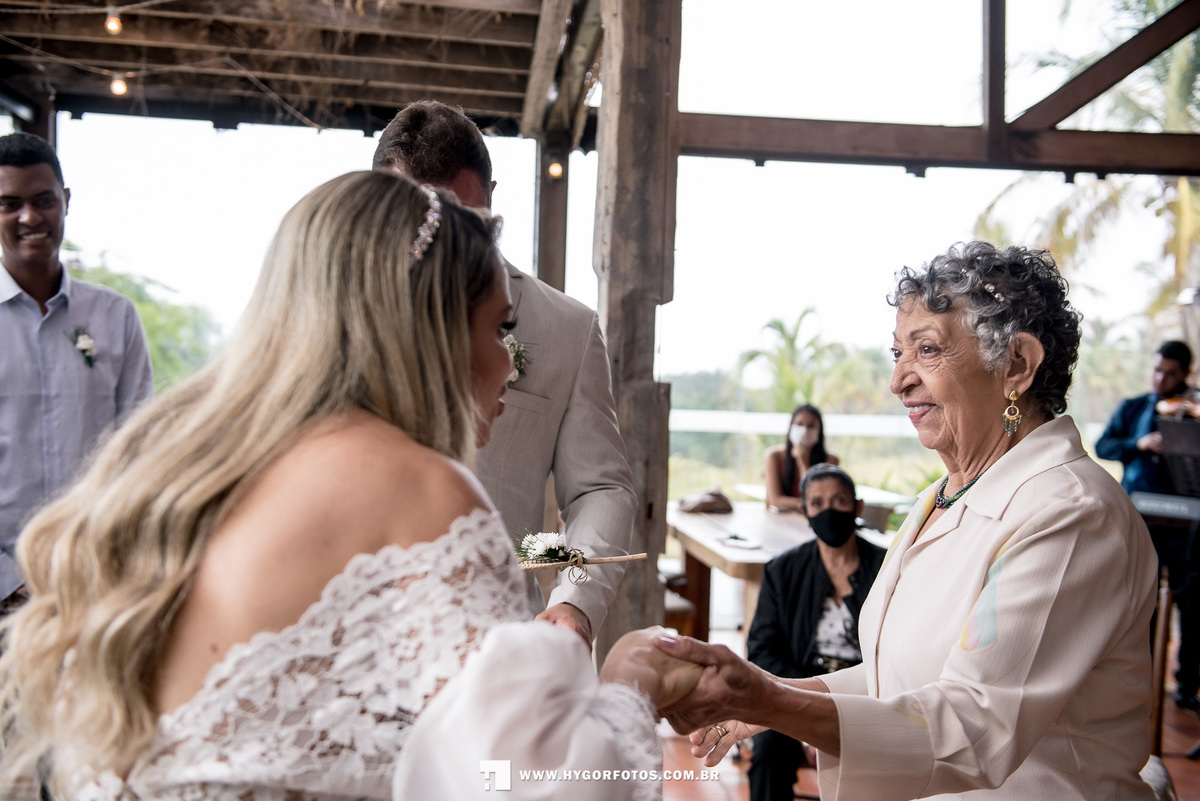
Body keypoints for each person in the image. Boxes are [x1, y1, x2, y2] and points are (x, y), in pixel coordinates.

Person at [0, 171, 680, 801]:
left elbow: (598, 490)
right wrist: (631, 682)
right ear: (429, 329)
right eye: (499, 328)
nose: (508, 362)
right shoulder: (426, 493)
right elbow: (524, 789)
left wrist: (571, 604)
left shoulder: (185, 462)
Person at [652, 242, 1159, 801]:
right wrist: (770, 696)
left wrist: (771, 701)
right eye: (898, 353)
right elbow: (895, 675)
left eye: (927, 350)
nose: (898, 380)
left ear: (1016, 364)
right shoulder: (938, 499)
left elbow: (972, 728)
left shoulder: (1071, 513)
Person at [372, 100, 636, 646]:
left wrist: (575, 600)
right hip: (361, 639)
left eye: (464, 221)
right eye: (421, 222)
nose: (444, 247)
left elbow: (600, 489)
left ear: (491, 199)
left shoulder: (566, 328)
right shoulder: (340, 316)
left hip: (505, 641)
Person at [0, 131, 153, 606]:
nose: (30, 217)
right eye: (9, 204)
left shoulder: (115, 316)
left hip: (94, 584)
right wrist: (10, 583)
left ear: (65, 201)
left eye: (43, 200)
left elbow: (137, 451)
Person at [744, 463, 885, 801]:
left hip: (868, 690)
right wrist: (804, 707)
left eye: (839, 501)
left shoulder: (887, 567)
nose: (828, 511)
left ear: (857, 507)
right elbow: (763, 649)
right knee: (768, 753)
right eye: (817, 504)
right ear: (804, 511)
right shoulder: (782, 571)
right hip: (798, 687)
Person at [1096, 339, 1200, 709]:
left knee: (1192, 604)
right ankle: (1142, 682)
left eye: (1170, 374)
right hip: (1141, 519)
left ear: (1185, 374)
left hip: (1189, 527)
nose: (1160, 379)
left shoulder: (1194, 408)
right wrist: (1139, 444)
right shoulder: (1134, 406)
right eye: (1157, 370)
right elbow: (1104, 446)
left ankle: (1187, 686)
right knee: (1142, 601)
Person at [763, 404, 838, 512]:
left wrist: (802, 461)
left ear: (819, 431)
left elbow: (820, 497)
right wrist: (808, 504)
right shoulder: (774, 456)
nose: (804, 430)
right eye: (799, 424)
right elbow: (775, 500)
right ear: (791, 427)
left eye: (811, 426)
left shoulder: (831, 460)